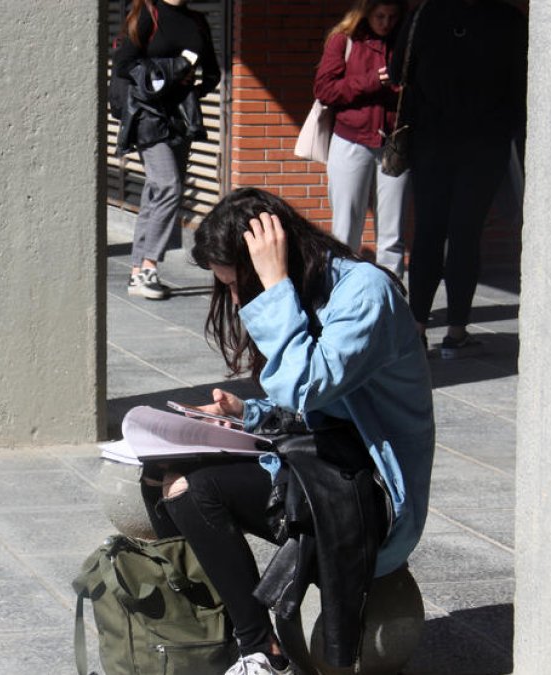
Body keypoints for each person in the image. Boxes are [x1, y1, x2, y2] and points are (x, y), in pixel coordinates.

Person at [141, 188, 434, 674]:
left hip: (372, 496)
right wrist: (244, 412)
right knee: (161, 471)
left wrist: (275, 285)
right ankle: (216, 632)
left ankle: (260, 651)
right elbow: (319, 405)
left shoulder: (363, 294)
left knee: (196, 491)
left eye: (241, 285)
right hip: (323, 463)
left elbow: (306, 385)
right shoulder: (312, 287)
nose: (236, 301)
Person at [388, 0, 526, 358]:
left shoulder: (424, 14)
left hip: (430, 142)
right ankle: (456, 330)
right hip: (485, 144)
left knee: (429, 233)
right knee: (467, 234)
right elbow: (522, 81)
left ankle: (418, 327)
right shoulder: (507, 18)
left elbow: (396, 68)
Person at [112, 0, 219, 300]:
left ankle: (136, 272)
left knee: (157, 190)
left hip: (179, 118)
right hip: (147, 115)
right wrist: (170, 71)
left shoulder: (197, 21)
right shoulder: (148, 12)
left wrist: (192, 91)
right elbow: (123, 63)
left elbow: (211, 72)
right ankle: (149, 267)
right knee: (168, 185)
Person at [314, 0, 408, 279]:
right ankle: (341, 294)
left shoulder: (404, 41)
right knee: (346, 229)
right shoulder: (344, 40)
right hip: (351, 140)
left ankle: (391, 296)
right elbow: (324, 90)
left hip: (394, 142)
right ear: (366, 13)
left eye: (392, 16)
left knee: (393, 233)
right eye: (380, 16)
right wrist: (371, 81)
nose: (386, 23)